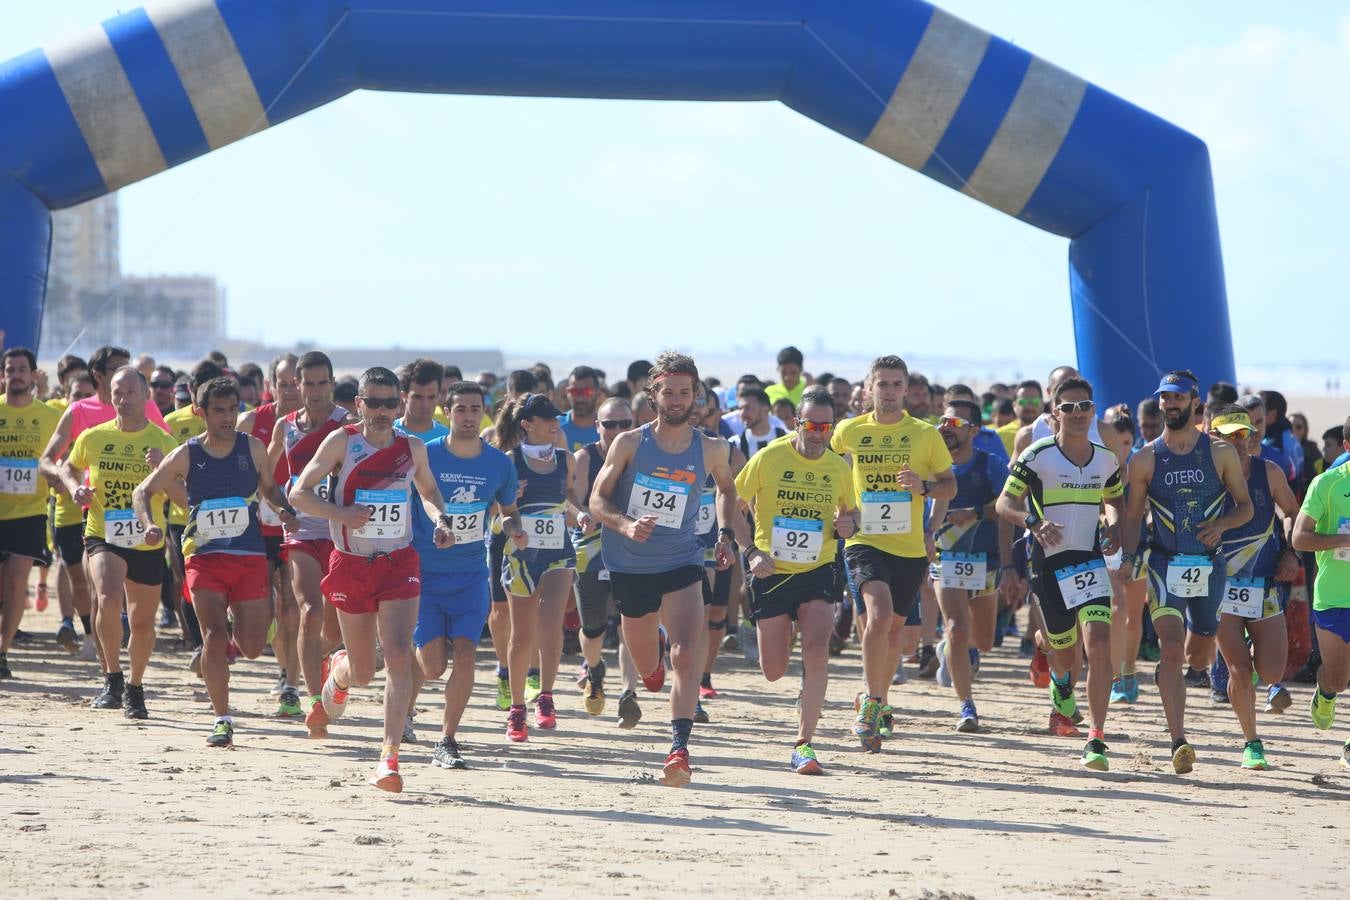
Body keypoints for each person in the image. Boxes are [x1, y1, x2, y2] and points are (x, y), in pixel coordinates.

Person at [589, 351, 751, 786]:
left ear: (695, 395)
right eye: (668, 392)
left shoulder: (713, 448)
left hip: (682, 559)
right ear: (653, 394)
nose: (677, 400)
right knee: (650, 669)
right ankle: (650, 666)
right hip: (629, 564)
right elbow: (596, 500)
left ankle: (679, 748)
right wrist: (625, 524)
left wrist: (723, 535)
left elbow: (727, 492)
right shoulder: (629, 444)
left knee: (686, 651)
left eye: (685, 392)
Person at [291, 367, 453, 792]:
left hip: (398, 563)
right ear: (359, 403)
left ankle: (389, 758)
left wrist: (440, 519)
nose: (381, 411)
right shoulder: (342, 442)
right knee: (364, 671)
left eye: (389, 403)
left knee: (399, 653)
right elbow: (298, 494)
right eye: (373, 402)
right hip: (350, 564)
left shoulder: (412, 448)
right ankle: (339, 672)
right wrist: (341, 514)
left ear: (399, 403)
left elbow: (430, 492)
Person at [133, 377, 294, 747]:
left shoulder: (252, 448)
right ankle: (222, 718)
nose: (227, 417)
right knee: (212, 637)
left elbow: (268, 487)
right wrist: (150, 525)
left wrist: (285, 509)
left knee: (253, 647)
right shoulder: (188, 453)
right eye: (218, 410)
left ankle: (249, 625)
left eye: (232, 409)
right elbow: (144, 490)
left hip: (249, 555)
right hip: (204, 557)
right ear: (200, 412)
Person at [1120, 371, 1252, 774]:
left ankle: (1185, 672)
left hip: (1210, 565)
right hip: (1163, 564)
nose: (1170, 404)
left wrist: (1223, 526)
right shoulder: (1145, 458)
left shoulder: (1219, 452)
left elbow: (1244, 507)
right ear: (1159, 403)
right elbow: (1132, 515)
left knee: (1199, 653)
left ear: (1194, 402)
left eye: (1178, 397)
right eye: (1164, 398)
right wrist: (1127, 555)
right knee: (1172, 648)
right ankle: (1178, 740)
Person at [996, 377, 1124, 770]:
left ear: (1092, 410)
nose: (1077, 413)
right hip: (1048, 564)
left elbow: (1115, 499)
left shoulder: (1106, 458)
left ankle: (1096, 738)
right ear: (1055, 414)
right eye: (1068, 407)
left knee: (1099, 644)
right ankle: (1049, 653)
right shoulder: (1037, 455)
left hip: (1088, 561)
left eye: (1084, 405)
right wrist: (1033, 522)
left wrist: (1114, 525)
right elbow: (1004, 503)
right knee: (1066, 653)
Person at [831, 356, 956, 752]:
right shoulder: (847, 431)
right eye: (881, 383)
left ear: (906, 389)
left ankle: (879, 699)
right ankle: (871, 703)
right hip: (864, 541)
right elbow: (827, 474)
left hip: (909, 547)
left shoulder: (924, 434)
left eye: (895, 384)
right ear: (868, 388)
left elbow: (950, 486)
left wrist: (923, 487)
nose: (888, 391)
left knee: (895, 636)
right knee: (879, 617)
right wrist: (839, 514)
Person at [735, 385, 856, 773]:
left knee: (817, 650)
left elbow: (853, 517)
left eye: (826, 427)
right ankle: (767, 635)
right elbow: (731, 507)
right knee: (773, 670)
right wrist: (750, 553)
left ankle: (804, 743)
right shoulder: (769, 458)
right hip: (770, 572)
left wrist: (848, 524)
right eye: (811, 425)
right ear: (796, 423)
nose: (819, 434)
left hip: (818, 571)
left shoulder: (838, 466)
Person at [52, 367, 177, 717]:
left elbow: (183, 497)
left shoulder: (164, 442)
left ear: (145, 395)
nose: (122, 400)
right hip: (102, 532)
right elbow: (67, 465)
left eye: (130, 393)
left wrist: (163, 471)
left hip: (147, 538)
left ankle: (135, 687)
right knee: (106, 597)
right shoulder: (93, 436)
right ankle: (112, 677)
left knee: (142, 623)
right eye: (116, 393)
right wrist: (76, 487)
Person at [410, 380, 521, 768]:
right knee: (433, 666)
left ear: (484, 412)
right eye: (461, 409)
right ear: (447, 410)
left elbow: (508, 512)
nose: (469, 416)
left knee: (468, 652)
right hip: (424, 573)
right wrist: (439, 523)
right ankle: (404, 661)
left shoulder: (498, 463)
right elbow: (421, 498)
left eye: (476, 409)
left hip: (471, 575)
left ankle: (447, 739)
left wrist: (514, 530)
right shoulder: (425, 455)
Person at [1206, 405, 1300, 769]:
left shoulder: (1269, 472)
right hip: (1221, 586)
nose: (1239, 442)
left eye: (1244, 434)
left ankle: (1254, 655)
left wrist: (1291, 551)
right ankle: (1252, 743)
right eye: (1230, 435)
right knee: (1239, 671)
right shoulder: (1204, 478)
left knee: (1273, 671)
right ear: (1212, 436)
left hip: (1263, 584)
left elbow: (1293, 512)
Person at [267, 350, 350, 738]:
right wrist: (281, 508)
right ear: (296, 385)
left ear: (331, 384)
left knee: (333, 629)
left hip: (338, 532)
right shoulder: (285, 426)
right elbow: (265, 476)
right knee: (307, 609)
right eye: (308, 383)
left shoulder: (346, 424)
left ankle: (328, 665)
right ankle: (314, 702)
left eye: (322, 383)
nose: (314, 391)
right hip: (301, 531)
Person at [493, 393, 584, 742]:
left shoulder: (567, 459)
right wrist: (513, 528)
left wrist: (581, 515)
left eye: (557, 419)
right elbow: (497, 514)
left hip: (558, 552)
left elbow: (568, 501)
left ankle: (546, 697)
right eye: (548, 419)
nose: (555, 424)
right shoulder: (508, 462)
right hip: (521, 555)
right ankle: (517, 709)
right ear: (527, 425)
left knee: (552, 626)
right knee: (522, 634)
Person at [930, 399, 1012, 732]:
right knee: (957, 628)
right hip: (945, 557)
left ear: (974, 430)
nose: (946, 428)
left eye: (956, 423)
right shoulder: (930, 464)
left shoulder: (990, 465)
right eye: (943, 422)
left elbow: (1008, 507)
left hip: (985, 558)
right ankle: (967, 706)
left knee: (984, 640)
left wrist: (977, 513)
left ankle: (951, 650)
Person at [238, 354, 304, 714]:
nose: (291, 390)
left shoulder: (317, 425)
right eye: (284, 383)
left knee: (292, 606)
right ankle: (284, 667)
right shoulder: (252, 421)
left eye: (297, 382)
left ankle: (290, 682)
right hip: (257, 527)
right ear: (270, 386)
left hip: (297, 526)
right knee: (269, 610)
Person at [571, 397, 642, 724]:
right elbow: (570, 501)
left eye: (624, 424)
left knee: (631, 621)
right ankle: (595, 669)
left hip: (632, 550)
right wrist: (583, 515)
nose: (616, 431)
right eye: (609, 424)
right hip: (592, 550)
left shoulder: (642, 455)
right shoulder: (584, 458)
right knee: (594, 628)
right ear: (597, 426)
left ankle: (629, 692)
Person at [1291, 417, 1350, 769]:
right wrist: (1344, 540)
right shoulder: (1326, 484)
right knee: (1339, 676)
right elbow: (1299, 538)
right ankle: (1325, 692)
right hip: (1332, 595)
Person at [0, 348, 62, 678]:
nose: (16, 374)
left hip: (30, 511)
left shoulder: (50, 416)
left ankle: (3, 650)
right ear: (3, 375)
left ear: (33, 375)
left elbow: (62, 459)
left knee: (14, 584)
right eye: (11, 369)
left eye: (22, 369)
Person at [394, 359, 449, 444]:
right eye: (418, 397)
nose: (425, 404)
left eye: (431, 397)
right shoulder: (387, 434)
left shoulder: (448, 439)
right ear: (404, 396)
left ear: (438, 397)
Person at [559, 365, 602, 451]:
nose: (580, 398)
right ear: (567, 393)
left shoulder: (608, 428)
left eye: (587, 391)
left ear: (597, 392)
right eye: (575, 391)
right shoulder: (554, 427)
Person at [996, 380, 1042, 457]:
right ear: (1014, 406)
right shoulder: (999, 436)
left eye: (1035, 402)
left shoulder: (1051, 434)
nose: (1029, 406)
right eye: (1023, 402)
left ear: (1042, 404)